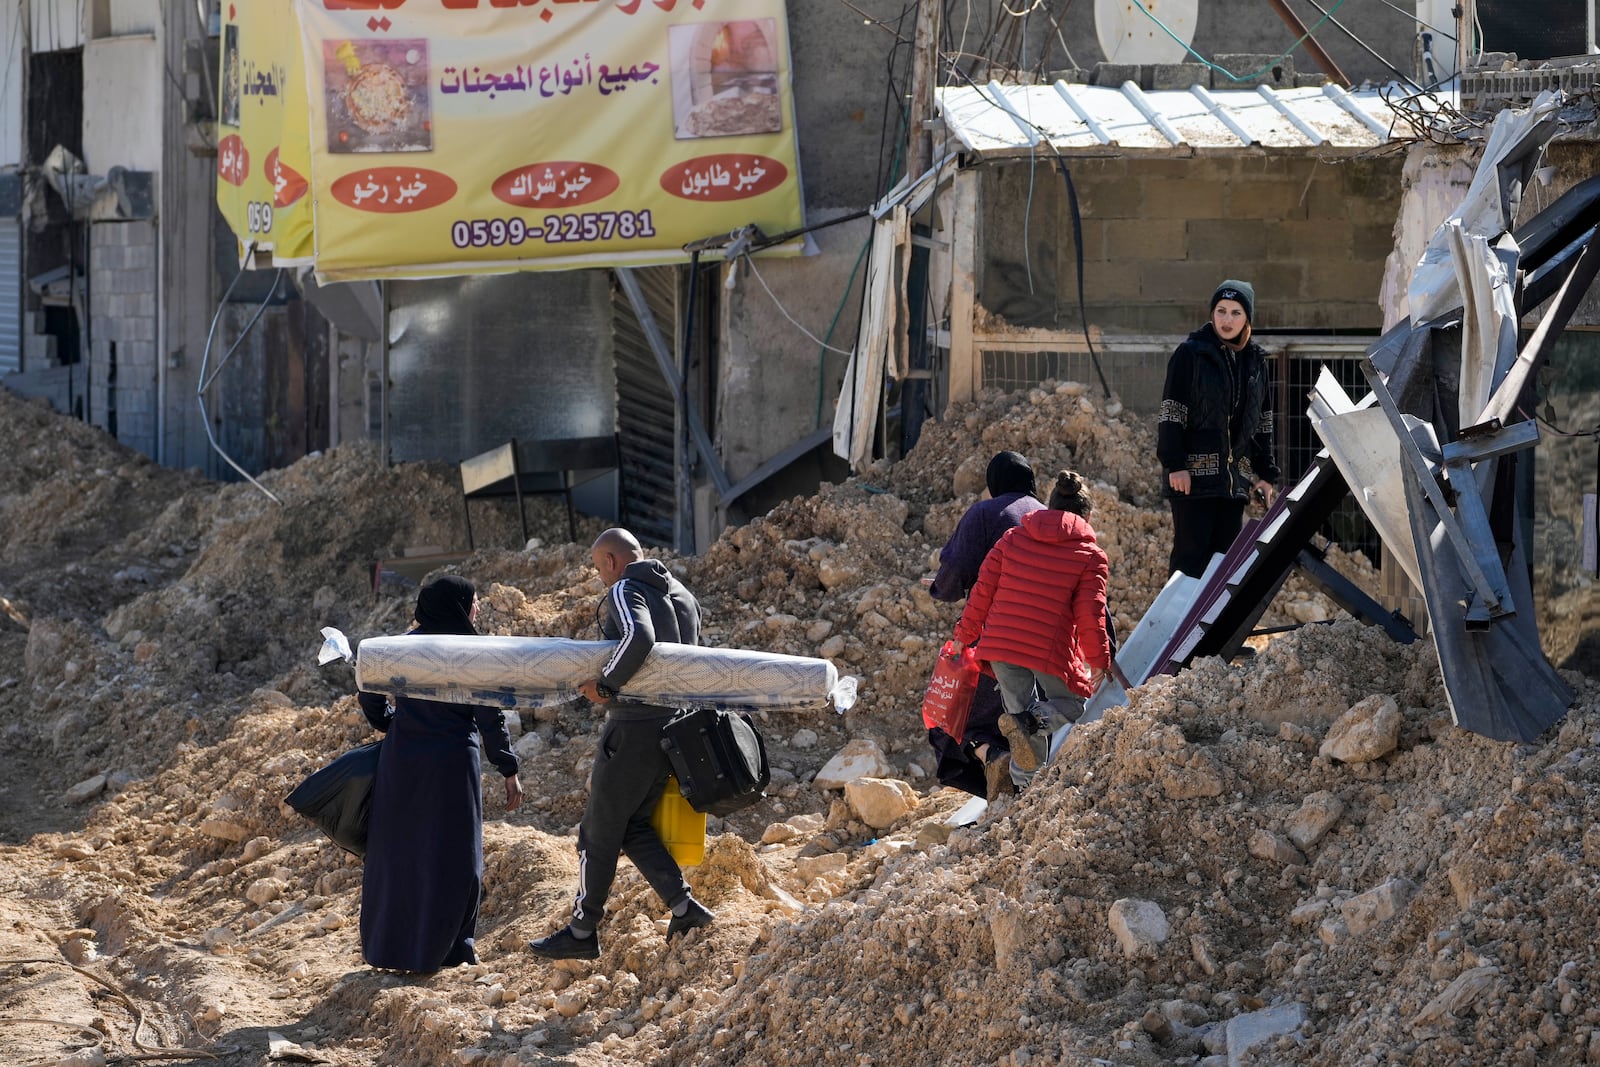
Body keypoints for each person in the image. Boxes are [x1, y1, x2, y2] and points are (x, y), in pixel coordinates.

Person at [530, 528, 715, 961]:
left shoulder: (626, 587)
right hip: (674, 728)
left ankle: (581, 930)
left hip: (633, 727)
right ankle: (684, 906)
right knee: (630, 825)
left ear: (611, 562)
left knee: (598, 828)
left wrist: (606, 684)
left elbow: (639, 639)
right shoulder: (683, 594)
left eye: (599, 569)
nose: (600, 579)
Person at [356, 575, 523, 973]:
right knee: (455, 856)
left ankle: (391, 949)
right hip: (451, 764)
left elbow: (369, 693)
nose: (478, 608)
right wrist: (508, 767)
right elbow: (489, 712)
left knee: (401, 852)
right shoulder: (469, 651)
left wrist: (395, 723)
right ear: (457, 605)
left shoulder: (399, 648)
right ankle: (451, 949)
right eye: (474, 602)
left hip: (403, 762)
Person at [951, 470, 1112, 781]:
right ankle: (1032, 722)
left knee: (1020, 719)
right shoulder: (1091, 555)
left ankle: (1025, 787)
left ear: (1047, 508)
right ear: (1088, 515)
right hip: (1047, 648)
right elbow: (1090, 615)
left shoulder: (1012, 538)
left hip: (1001, 645)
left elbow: (983, 591)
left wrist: (963, 635)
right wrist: (1098, 661)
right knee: (1072, 703)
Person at [925, 450, 1045, 801]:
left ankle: (991, 757)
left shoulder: (986, 513)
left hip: (992, 642)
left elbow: (956, 570)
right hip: (1047, 647)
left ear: (994, 484)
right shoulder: (1050, 517)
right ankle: (1014, 801)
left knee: (949, 720)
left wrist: (939, 587)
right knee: (1027, 722)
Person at [1158, 279, 1281, 579]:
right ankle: (1180, 625)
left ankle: (1212, 628)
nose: (1227, 320)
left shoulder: (1255, 362)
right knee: (1190, 562)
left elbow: (1261, 421)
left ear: (1247, 317)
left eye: (1236, 312)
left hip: (1233, 483)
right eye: (1221, 311)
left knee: (1223, 565)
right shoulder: (1191, 354)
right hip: (1192, 481)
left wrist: (1265, 475)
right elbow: (1171, 411)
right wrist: (1175, 464)